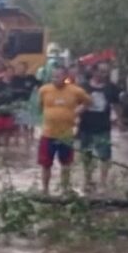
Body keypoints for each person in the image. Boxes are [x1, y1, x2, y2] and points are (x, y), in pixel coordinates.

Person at [37, 64, 91, 195]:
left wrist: (78, 111)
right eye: (53, 76)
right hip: (48, 134)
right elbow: (39, 107)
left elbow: (88, 102)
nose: (55, 78)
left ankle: (65, 189)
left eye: (58, 75)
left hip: (66, 135)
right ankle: (45, 190)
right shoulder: (44, 90)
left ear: (65, 76)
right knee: (45, 164)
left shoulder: (75, 91)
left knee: (66, 164)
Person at [79, 62, 123, 190]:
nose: (104, 74)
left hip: (103, 126)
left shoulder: (111, 88)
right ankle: (87, 180)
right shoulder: (83, 87)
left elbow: (117, 105)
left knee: (105, 155)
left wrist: (120, 121)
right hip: (85, 125)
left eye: (106, 72)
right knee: (86, 154)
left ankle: (103, 181)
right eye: (102, 71)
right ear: (94, 72)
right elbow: (76, 104)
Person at [9, 62, 39, 146]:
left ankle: (28, 143)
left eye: (21, 68)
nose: (19, 70)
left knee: (26, 124)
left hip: (27, 103)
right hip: (16, 103)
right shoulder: (14, 78)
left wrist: (36, 89)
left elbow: (39, 84)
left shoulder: (31, 78)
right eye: (18, 68)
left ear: (26, 69)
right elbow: (11, 89)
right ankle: (15, 143)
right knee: (15, 125)